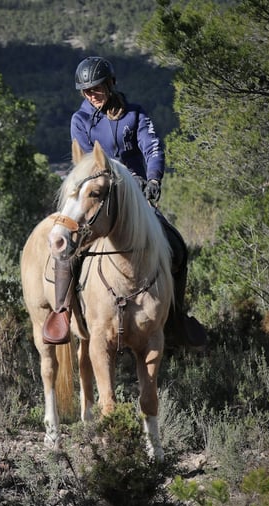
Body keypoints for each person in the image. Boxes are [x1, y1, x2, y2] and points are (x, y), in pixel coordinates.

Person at [42, 56, 207, 348]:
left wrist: (153, 179)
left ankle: (176, 317)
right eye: (87, 91)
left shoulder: (135, 115)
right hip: (97, 199)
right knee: (66, 247)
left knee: (176, 246)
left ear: (110, 84)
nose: (92, 95)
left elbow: (153, 149)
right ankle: (63, 312)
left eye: (97, 88)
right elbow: (84, 163)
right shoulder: (80, 120)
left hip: (136, 201)